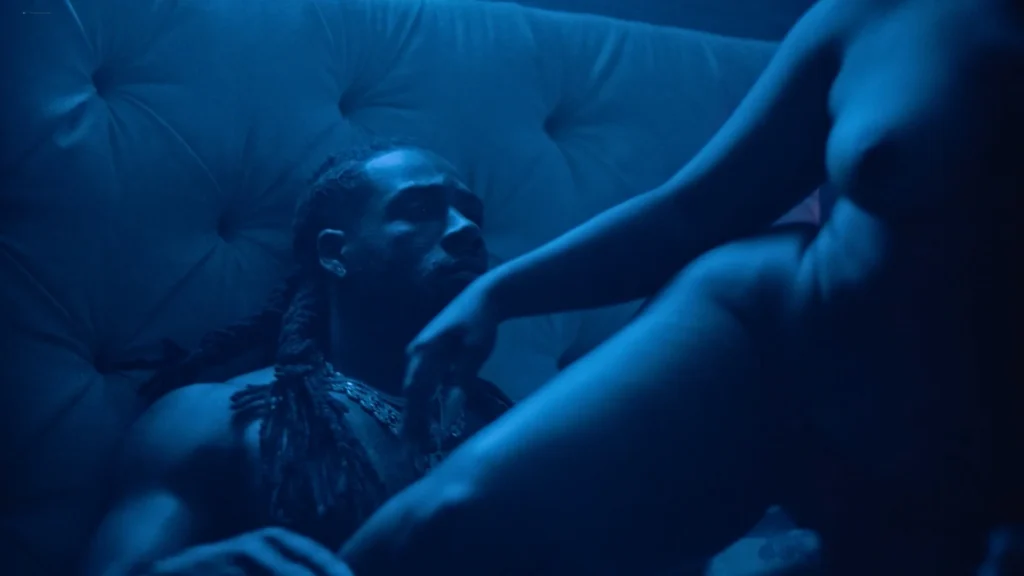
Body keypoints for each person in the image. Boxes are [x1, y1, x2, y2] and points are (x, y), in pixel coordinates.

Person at [339, 0, 1024, 575]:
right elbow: (692, 211)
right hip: (770, 331)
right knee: (436, 528)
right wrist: (496, 295)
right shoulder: (880, 11)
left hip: (948, 439)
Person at [80, 142, 514, 576]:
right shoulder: (215, 421)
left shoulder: (507, 424)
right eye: (419, 208)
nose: (466, 229)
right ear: (335, 253)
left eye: (472, 215)